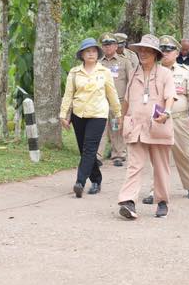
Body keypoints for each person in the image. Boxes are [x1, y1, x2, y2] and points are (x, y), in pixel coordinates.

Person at [117, 34, 176, 219]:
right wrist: (122, 118)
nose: (143, 53)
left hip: (158, 126)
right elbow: (127, 99)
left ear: (155, 54)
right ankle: (128, 201)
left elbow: (170, 97)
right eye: (141, 50)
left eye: (147, 50)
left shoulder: (165, 73)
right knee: (134, 165)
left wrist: (166, 112)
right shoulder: (134, 73)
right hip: (136, 127)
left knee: (160, 166)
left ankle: (162, 201)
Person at [60, 38, 122, 197]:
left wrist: (118, 113)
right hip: (78, 114)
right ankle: (96, 179)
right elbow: (68, 95)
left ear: (98, 54)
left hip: (98, 114)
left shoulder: (104, 72)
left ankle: (79, 182)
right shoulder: (74, 73)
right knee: (85, 150)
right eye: (88, 51)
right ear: (82, 54)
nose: (91, 54)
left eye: (94, 51)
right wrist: (63, 115)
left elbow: (112, 94)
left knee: (89, 148)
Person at [142, 35, 189, 203]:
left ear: (176, 53)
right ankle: (155, 191)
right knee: (157, 156)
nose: (165, 53)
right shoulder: (152, 71)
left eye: (169, 50)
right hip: (159, 119)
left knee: (183, 153)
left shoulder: (185, 72)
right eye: (163, 50)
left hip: (179, 119)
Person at [98, 33, 134, 167]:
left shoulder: (124, 62)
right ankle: (98, 155)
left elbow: (131, 82)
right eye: (105, 45)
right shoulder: (98, 63)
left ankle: (118, 154)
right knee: (100, 128)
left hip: (118, 102)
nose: (108, 47)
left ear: (115, 46)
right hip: (101, 101)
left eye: (110, 44)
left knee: (116, 128)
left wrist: (130, 101)